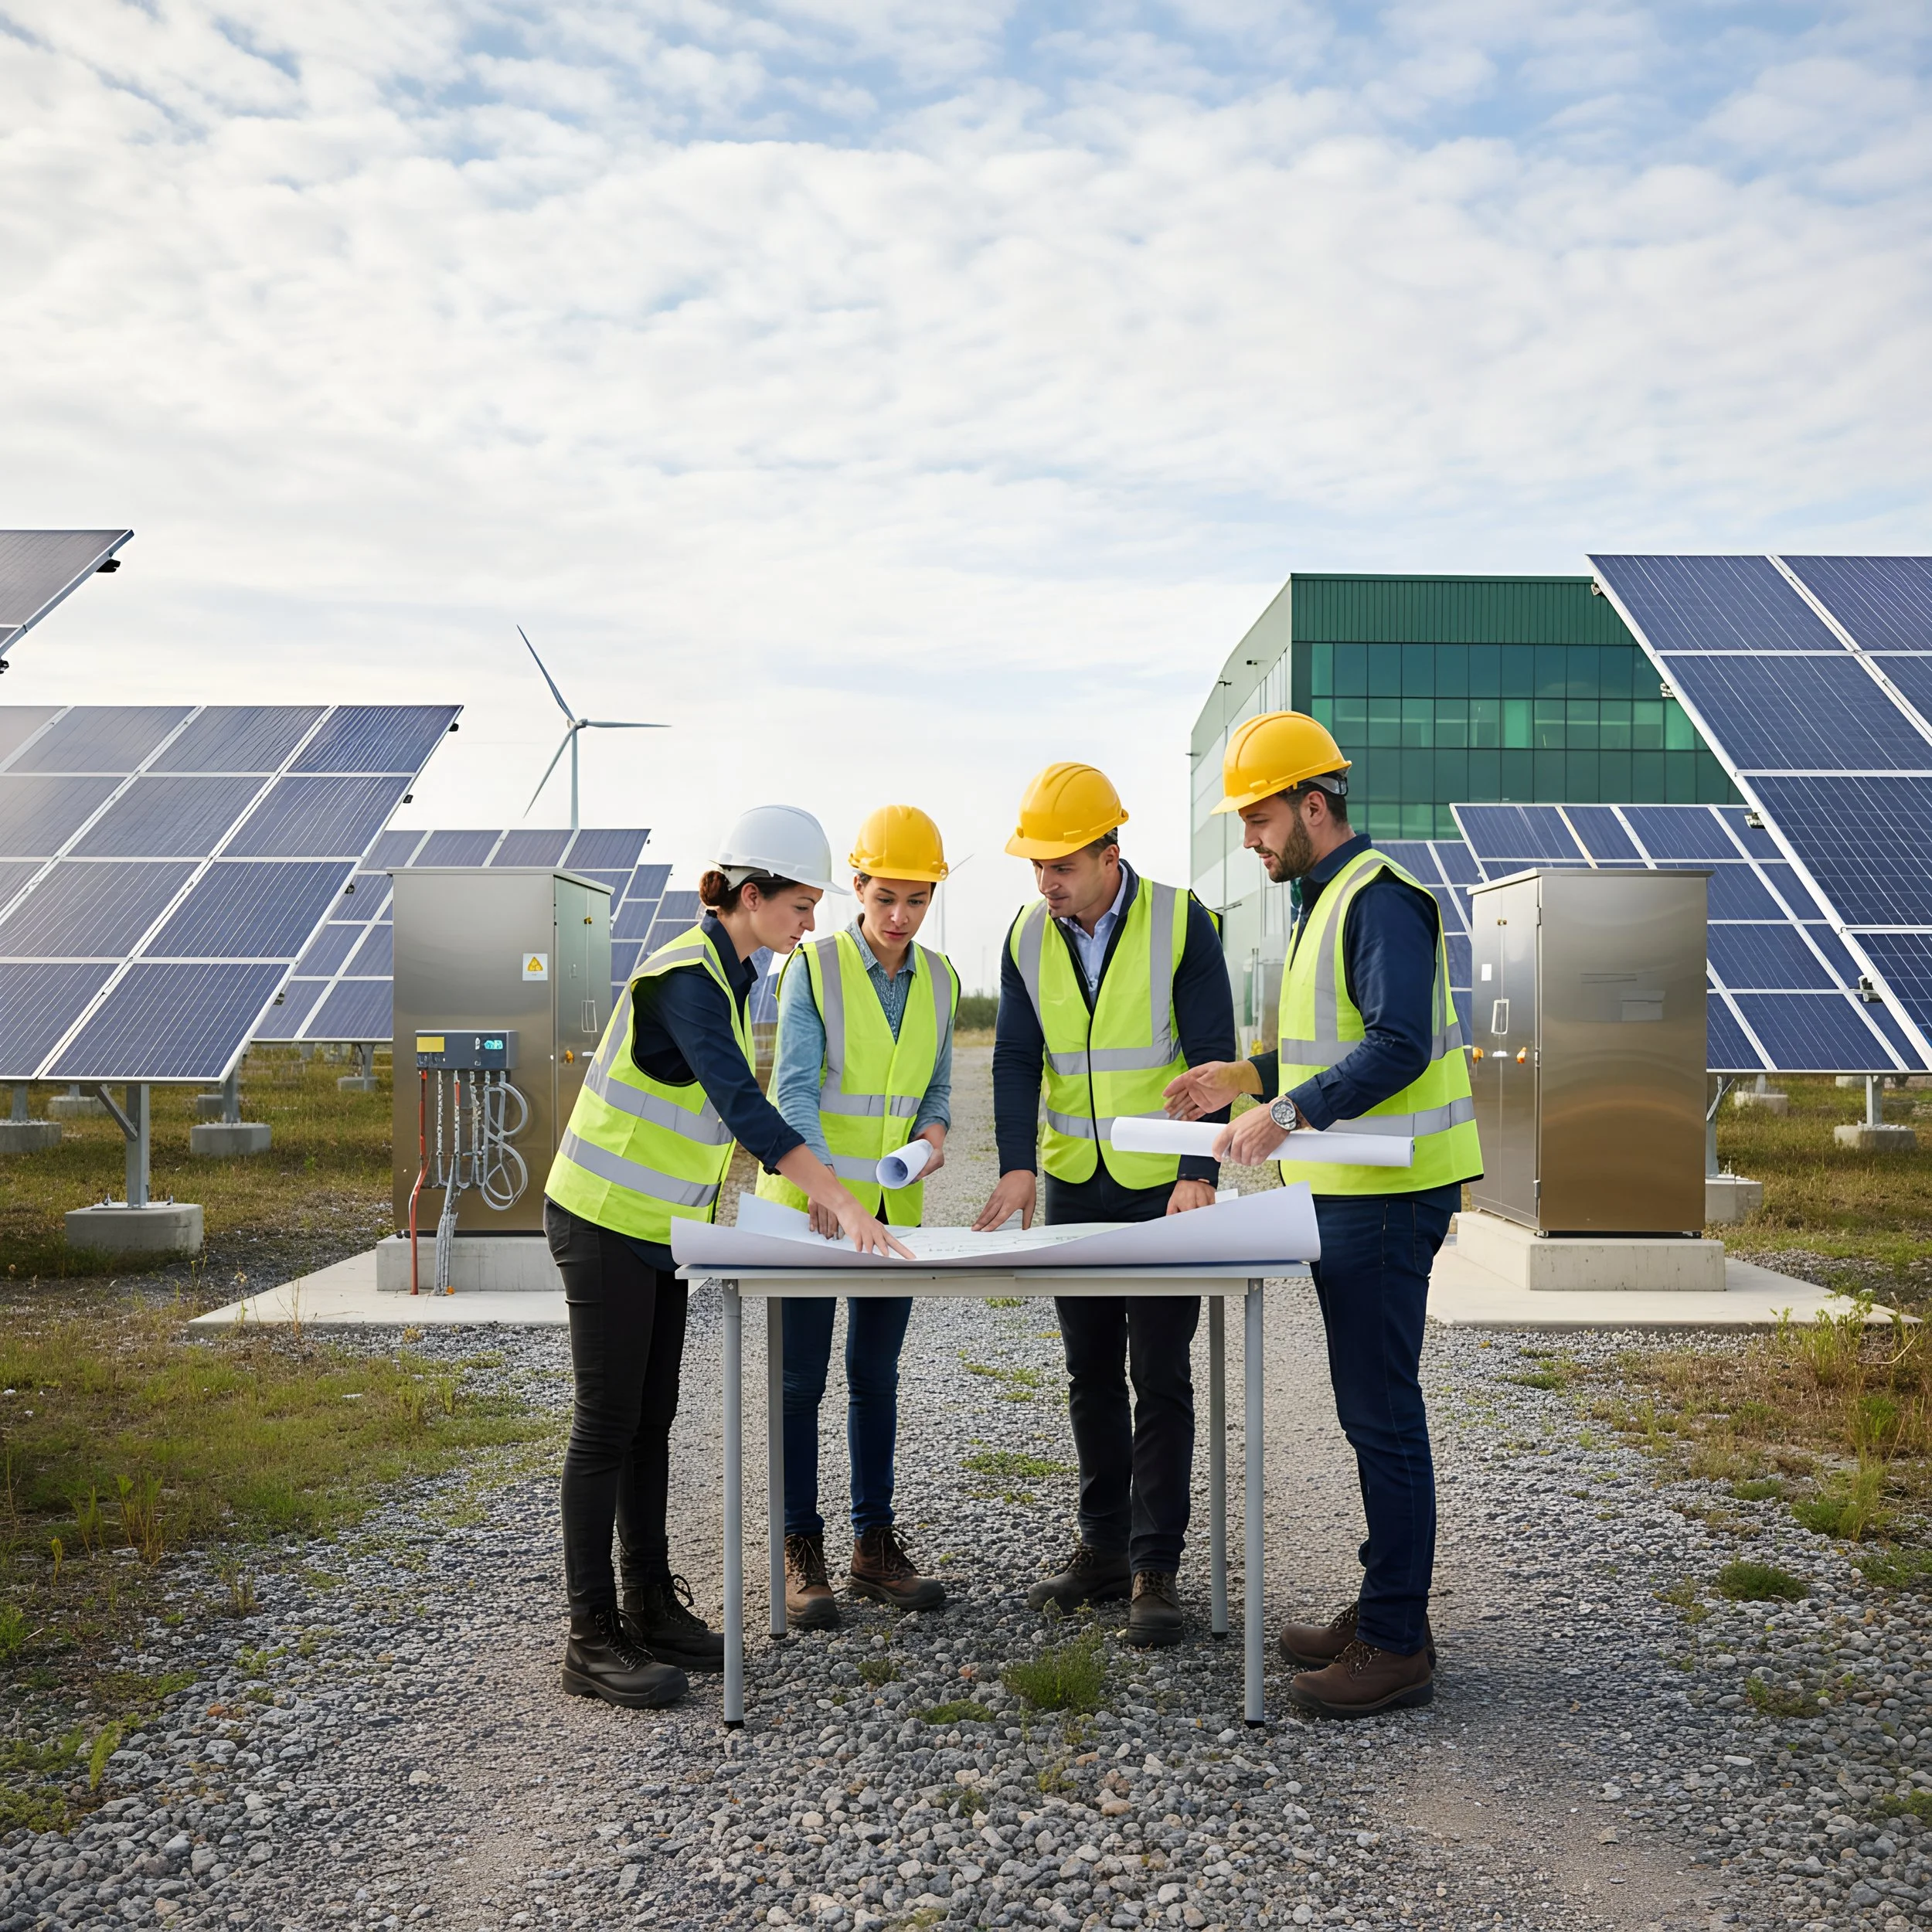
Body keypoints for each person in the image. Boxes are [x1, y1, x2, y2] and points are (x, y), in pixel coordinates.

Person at [543, 803, 913, 1710]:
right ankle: (590, 1636)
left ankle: (649, 1610)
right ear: (750, 896)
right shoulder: (687, 981)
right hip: (600, 1222)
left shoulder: (732, 971)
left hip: (656, 1230)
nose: (810, 923)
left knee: (651, 1419)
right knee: (606, 1425)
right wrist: (838, 1198)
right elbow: (745, 1108)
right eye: (799, 906)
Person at [1165, 712, 1481, 1718]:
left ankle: (1396, 1644)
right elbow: (1326, 1041)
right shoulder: (1324, 898)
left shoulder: (1378, 899)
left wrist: (1286, 1114)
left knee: (1382, 1417)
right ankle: (1388, 1611)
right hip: (1354, 1195)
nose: (1249, 839)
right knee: (1369, 1411)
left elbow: (1395, 1045)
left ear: (1313, 805)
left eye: (1258, 819)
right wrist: (1246, 1075)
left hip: (1388, 1199)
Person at [972, 762, 1238, 1646]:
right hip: (1073, 1182)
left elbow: (1212, 1051)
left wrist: (1201, 1168)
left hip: (1163, 1184)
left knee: (1157, 1374)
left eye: (1062, 864)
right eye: (1036, 865)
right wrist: (1017, 1167)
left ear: (1110, 852)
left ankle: (1156, 1564)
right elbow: (1015, 1059)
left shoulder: (1180, 921)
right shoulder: (1025, 934)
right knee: (1089, 1373)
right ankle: (1104, 1548)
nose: (1046, 881)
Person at [755, 804, 959, 1628]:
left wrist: (934, 1136)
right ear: (858, 888)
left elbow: (935, 1090)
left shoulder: (940, 981)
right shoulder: (815, 967)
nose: (900, 917)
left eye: (916, 899)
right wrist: (824, 1187)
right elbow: (796, 1085)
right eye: (885, 899)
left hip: (891, 1205)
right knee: (800, 1381)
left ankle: (873, 1544)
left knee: (876, 1377)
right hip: (811, 1204)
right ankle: (799, 1546)